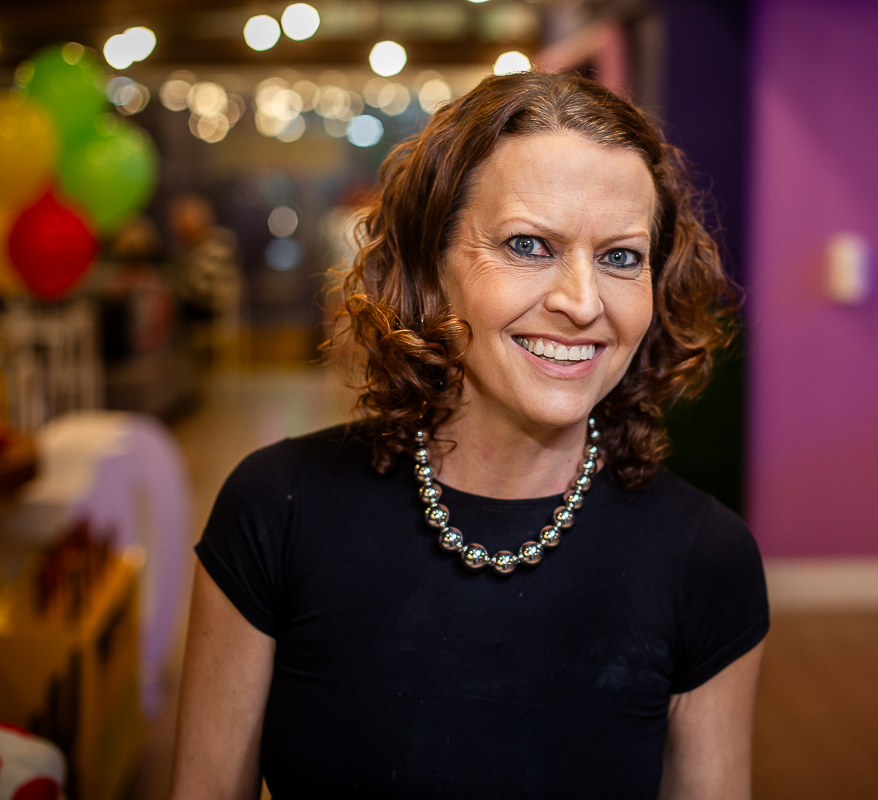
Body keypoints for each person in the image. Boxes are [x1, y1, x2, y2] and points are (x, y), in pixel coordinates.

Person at [170, 71, 769, 799]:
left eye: (620, 257)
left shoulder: (706, 559)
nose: (583, 303)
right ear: (431, 265)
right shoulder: (275, 510)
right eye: (529, 245)